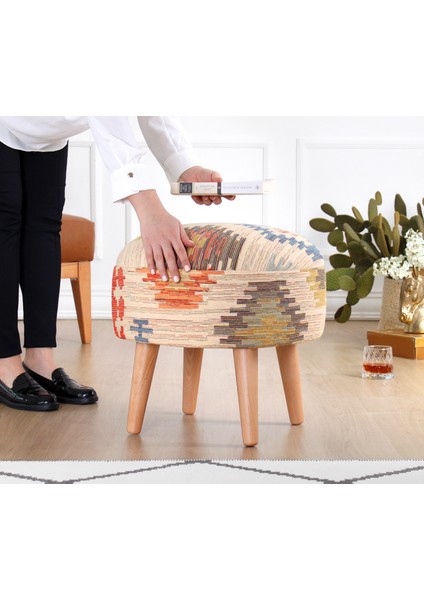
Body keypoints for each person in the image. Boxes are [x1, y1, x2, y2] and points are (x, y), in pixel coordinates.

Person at [0, 116, 235, 412]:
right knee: (4, 224)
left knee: (44, 226)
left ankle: (40, 359)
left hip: (46, 128)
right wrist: (149, 209)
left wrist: (184, 166)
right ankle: (4, 362)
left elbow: (152, 109)